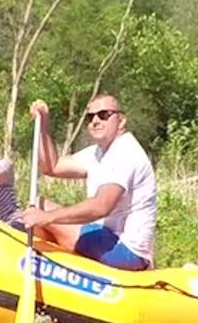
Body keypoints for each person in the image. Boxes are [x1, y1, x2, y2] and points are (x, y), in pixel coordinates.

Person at [20, 95, 157, 271]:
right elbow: (51, 167)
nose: (96, 121)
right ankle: (42, 269)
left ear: (121, 121)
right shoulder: (98, 153)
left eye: (104, 115)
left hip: (125, 250)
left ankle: (39, 269)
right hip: (105, 237)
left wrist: (48, 218)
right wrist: (43, 125)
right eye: (90, 117)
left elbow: (101, 206)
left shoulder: (126, 153)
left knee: (42, 214)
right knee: (40, 205)